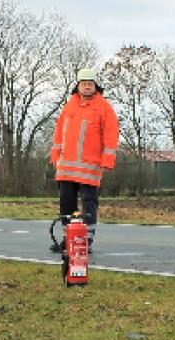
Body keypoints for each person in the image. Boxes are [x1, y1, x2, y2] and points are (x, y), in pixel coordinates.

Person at [50, 68, 119, 251]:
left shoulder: (103, 107)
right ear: (78, 86)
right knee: (67, 202)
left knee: (89, 203)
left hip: (90, 166)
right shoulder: (69, 105)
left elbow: (111, 134)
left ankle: (85, 241)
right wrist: (55, 154)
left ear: (95, 86)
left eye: (90, 84)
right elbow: (58, 133)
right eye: (84, 84)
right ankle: (69, 238)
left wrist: (107, 159)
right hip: (66, 167)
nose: (87, 87)